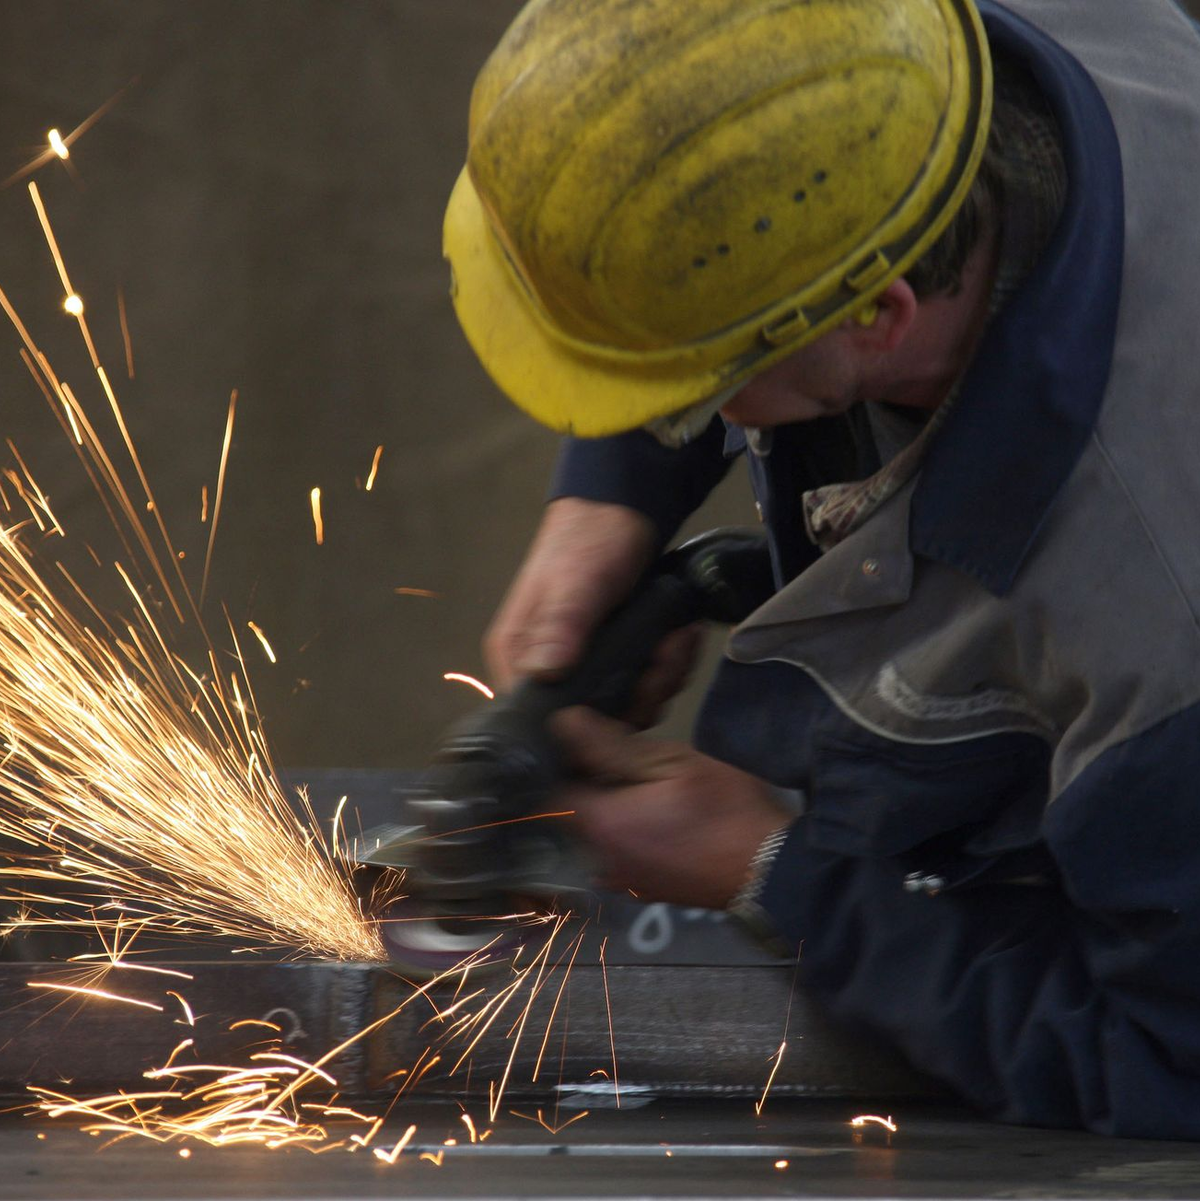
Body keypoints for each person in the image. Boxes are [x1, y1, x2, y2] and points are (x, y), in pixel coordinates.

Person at [443, 0, 1200, 1138]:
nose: (673, 422)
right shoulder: (858, 52)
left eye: (684, 394)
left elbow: (1167, 1068)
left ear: (880, 319)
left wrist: (778, 873)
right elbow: (714, 170)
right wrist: (608, 498)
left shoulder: (1155, 623)